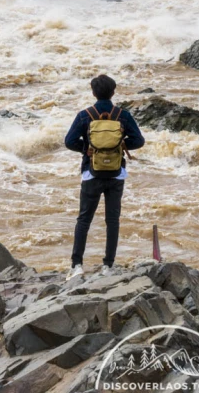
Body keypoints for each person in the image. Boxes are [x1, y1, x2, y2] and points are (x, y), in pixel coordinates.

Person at [64, 74, 145, 278]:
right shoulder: (122, 115)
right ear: (114, 92)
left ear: (93, 92)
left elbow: (69, 141)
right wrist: (122, 144)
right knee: (112, 220)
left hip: (91, 173)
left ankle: (77, 266)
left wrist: (86, 149)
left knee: (84, 219)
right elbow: (139, 141)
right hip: (116, 174)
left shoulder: (85, 115)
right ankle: (108, 266)